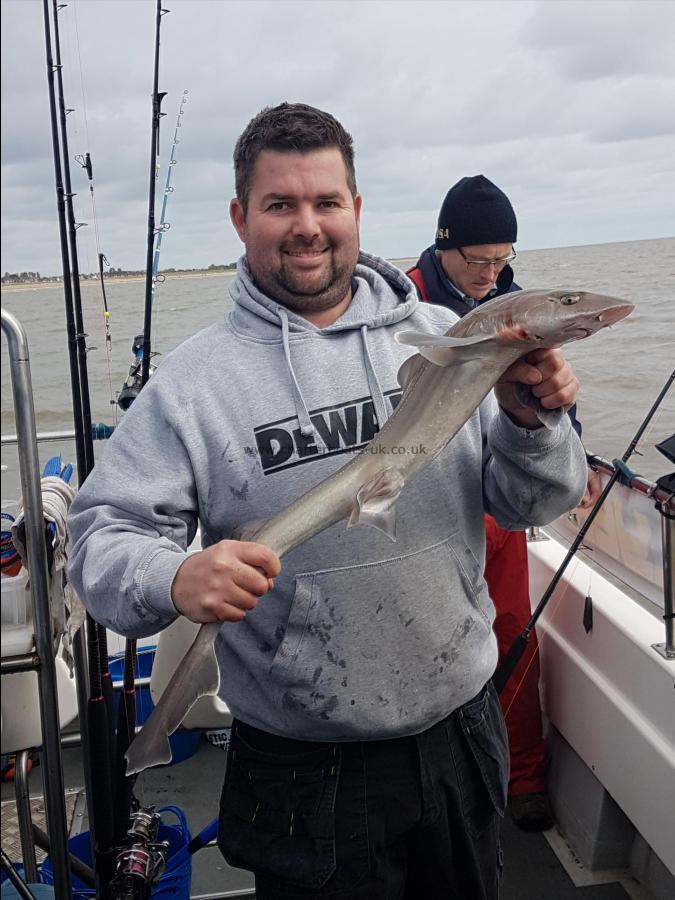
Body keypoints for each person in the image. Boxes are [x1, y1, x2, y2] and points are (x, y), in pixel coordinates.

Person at [68, 104, 588, 899]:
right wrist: (174, 578)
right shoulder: (193, 384)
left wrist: (534, 421)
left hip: (458, 731)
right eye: (280, 204)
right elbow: (100, 537)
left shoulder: (448, 338)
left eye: (326, 202)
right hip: (303, 767)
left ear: (356, 210)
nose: (307, 226)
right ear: (241, 218)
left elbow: (528, 505)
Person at [406, 174, 600, 831]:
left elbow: (552, 404)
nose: (490, 272)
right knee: (422, 632)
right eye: (476, 258)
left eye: (501, 257)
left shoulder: (523, 307)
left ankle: (520, 779)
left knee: (514, 627)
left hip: (499, 501)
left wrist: (564, 437)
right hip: (426, 502)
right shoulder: (404, 303)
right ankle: (423, 778)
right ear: (442, 248)